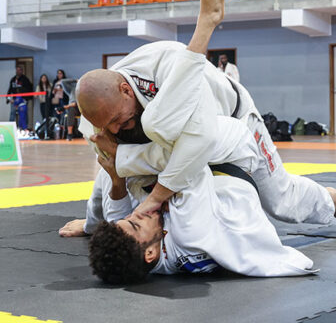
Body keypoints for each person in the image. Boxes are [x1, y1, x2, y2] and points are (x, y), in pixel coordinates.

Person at [62, 0, 336, 236]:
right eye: (107, 125)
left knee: (280, 201)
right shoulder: (100, 117)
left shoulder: (165, 60)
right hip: (181, 138)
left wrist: (153, 200)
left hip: (232, 119)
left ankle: (332, 201)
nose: (114, 128)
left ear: (125, 90)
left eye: (117, 119)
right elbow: (106, 175)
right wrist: (93, 224)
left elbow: (197, 142)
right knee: (120, 158)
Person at [86, 118, 316, 283]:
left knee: (119, 178)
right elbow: (192, 159)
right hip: (233, 154)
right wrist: (121, 153)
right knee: (285, 202)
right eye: (135, 224)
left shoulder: (145, 254)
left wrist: (116, 179)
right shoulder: (190, 231)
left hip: (213, 179)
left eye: (129, 219)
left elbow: (116, 217)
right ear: (150, 254)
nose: (135, 216)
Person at [6, 65, 33, 130]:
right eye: (17, 70)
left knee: (23, 114)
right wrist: (8, 98)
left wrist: (26, 99)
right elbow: (10, 89)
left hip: (22, 100)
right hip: (14, 99)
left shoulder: (25, 79)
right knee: (12, 113)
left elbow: (29, 89)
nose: (18, 71)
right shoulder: (13, 79)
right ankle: (10, 127)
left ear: (22, 71)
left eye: (19, 70)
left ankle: (24, 128)